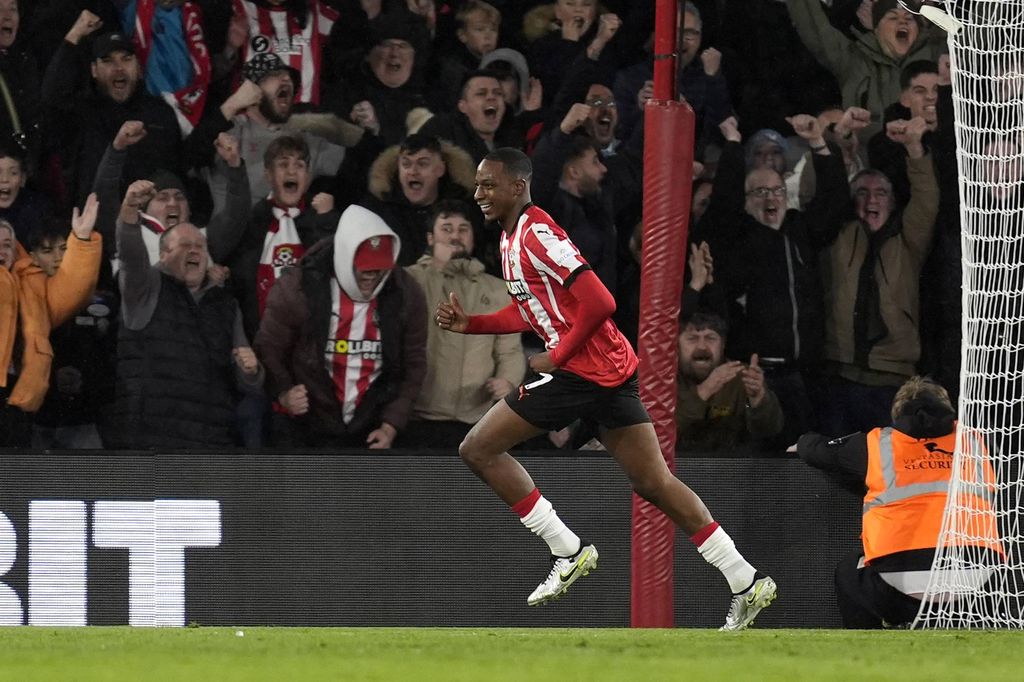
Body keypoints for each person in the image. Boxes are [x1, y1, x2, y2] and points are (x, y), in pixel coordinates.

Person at [435, 148, 776, 629]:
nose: (478, 194)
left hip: (583, 372)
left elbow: (601, 301)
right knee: (653, 482)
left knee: (478, 449)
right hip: (606, 371)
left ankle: (566, 550)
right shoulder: (512, 239)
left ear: (517, 185)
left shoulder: (537, 233)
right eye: (477, 185)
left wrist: (559, 355)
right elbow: (533, 310)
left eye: (488, 184)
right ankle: (746, 580)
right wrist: (473, 325)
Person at [794, 376, 1003, 628]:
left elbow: (816, 450)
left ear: (897, 415)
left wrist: (802, 442)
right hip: (976, 586)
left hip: (898, 591)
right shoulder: (978, 442)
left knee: (849, 572)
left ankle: (866, 649)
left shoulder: (877, 445)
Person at [254, 204, 427, 448]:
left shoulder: (406, 293)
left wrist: (390, 425)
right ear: (345, 256)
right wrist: (284, 392)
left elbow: (414, 364)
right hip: (307, 426)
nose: (372, 275)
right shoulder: (297, 289)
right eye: (365, 266)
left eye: (380, 268)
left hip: (371, 426)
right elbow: (268, 348)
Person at [111, 180, 264, 449]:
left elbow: (248, 383)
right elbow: (130, 255)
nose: (195, 251)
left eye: (201, 246)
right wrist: (129, 211)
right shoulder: (146, 287)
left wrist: (251, 372)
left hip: (210, 446)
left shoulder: (226, 305)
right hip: (149, 444)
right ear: (164, 253)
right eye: (186, 245)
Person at [817, 116, 939, 436]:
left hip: (892, 379)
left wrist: (914, 148)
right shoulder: (838, 233)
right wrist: (841, 142)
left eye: (880, 193)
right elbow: (827, 191)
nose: (871, 200)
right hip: (839, 374)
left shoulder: (908, 239)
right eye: (862, 192)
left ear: (893, 200)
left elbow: (927, 198)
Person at [404, 199, 525, 447]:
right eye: (446, 229)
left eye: (463, 229)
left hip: (477, 418)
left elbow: (509, 350)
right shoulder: (411, 279)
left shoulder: (498, 289)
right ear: (430, 238)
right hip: (420, 417)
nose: (455, 236)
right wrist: (437, 265)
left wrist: (508, 381)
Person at [0, 196, 102, 447]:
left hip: (14, 399)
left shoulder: (31, 283)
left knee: (14, 480)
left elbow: (70, 291)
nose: (1, 251)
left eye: (6, 244)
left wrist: (81, 241)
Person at [676, 312, 784, 453]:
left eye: (710, 338)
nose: (702, 347)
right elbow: (656, 434)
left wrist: (758, 400)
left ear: (723, 345)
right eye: (692, 339)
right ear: (676, 345)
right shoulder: (661, 379)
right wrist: (705, 390)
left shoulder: (742, 376)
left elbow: (769, 430)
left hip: (733, 468)